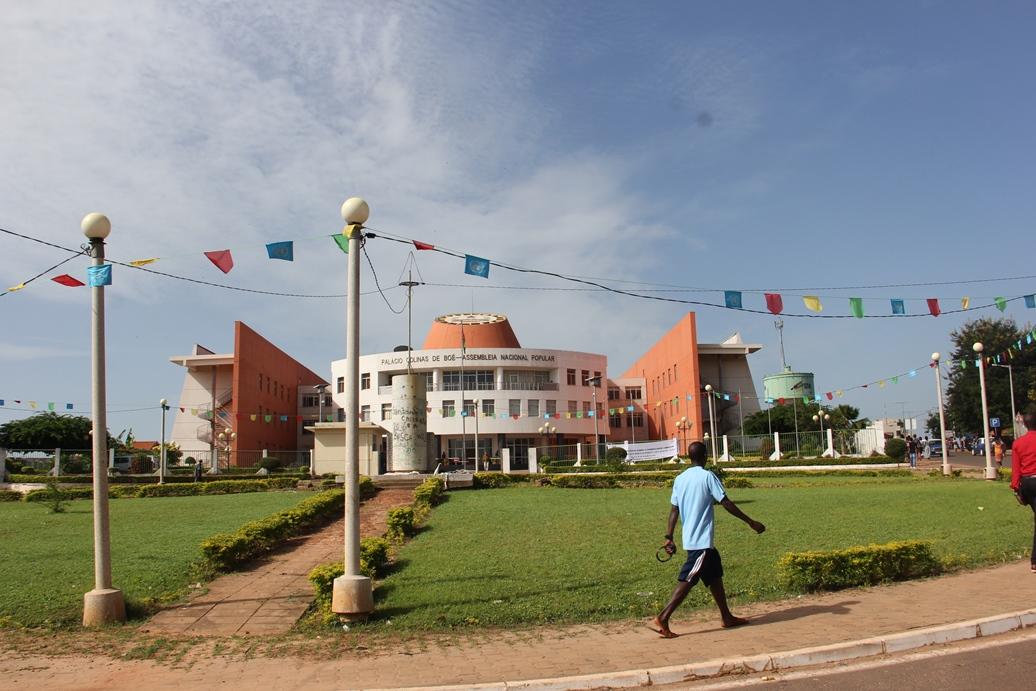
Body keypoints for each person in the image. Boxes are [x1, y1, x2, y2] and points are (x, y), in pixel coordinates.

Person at [651, 441, 765, 638]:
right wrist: (750, 522)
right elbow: (725, 502)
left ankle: (726, 617)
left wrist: (669, 536)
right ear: (705, 456)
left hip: (696, 540)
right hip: (700, 541)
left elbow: (674, 509)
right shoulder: (707, 476)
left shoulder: (680, 479)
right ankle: (663, 616)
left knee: (714, 576)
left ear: (689, 457)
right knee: (688, 578)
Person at [1010, 412, 1036, 574]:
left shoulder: (1018, 443)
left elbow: (1016, 469)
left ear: (1024, 425)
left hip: (1027, 484)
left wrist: (1016, 488)